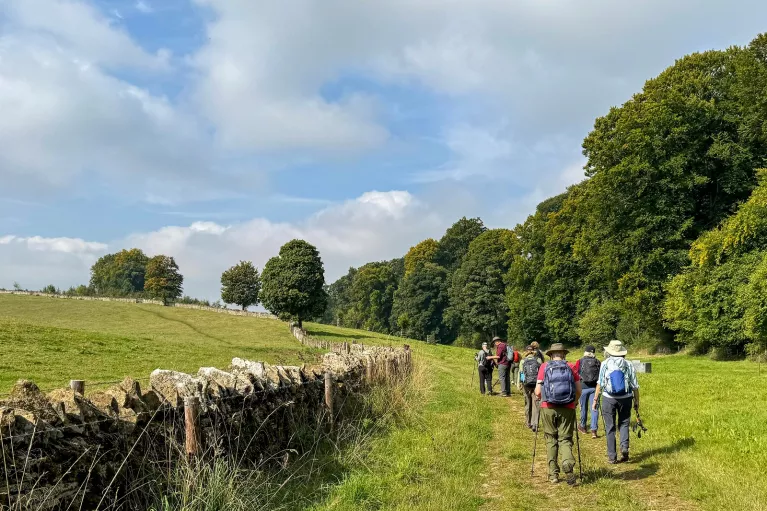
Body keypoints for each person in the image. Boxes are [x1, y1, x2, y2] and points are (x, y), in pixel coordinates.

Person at [535, 343, 582, 485]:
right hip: (567, 407)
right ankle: (567, 464)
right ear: (563, 354)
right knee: (565, 439)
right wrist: (574, 402)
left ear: (550, 355)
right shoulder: (571, 367)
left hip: (548, 406)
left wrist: (539, 398)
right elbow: (579, 390)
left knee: (551, 439)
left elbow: (537, 391)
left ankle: (553, 474)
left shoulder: (544, 367)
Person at [592, 340, 640, 464]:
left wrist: (595, 400)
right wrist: (637, 402)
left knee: (610, 427)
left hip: (609, 398)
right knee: (624, 424)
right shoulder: (628, 364)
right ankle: (624, 448)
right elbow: (635, 385)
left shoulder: (605, 363)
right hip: (626, 398)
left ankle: (612, 457)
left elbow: (600, 383)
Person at [574, 345, 601, 439]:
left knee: (583, 408)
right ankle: (594, 430)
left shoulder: (580, 361)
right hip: (594, 388)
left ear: (585, 352)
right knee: (594, 408)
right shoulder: (597, 362)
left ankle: (583, 427)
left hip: (583, 388)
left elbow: (575, 373)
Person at [520, 345, 541, 431]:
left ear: (526, 351)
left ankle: (528, 422)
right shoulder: (538, 360)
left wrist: (521, 384)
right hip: (536, 384)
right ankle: (535, 424)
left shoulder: (523, 361)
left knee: (528, 403)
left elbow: (521, 374)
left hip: (526, 385)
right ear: (533, 351)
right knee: (536, 404)